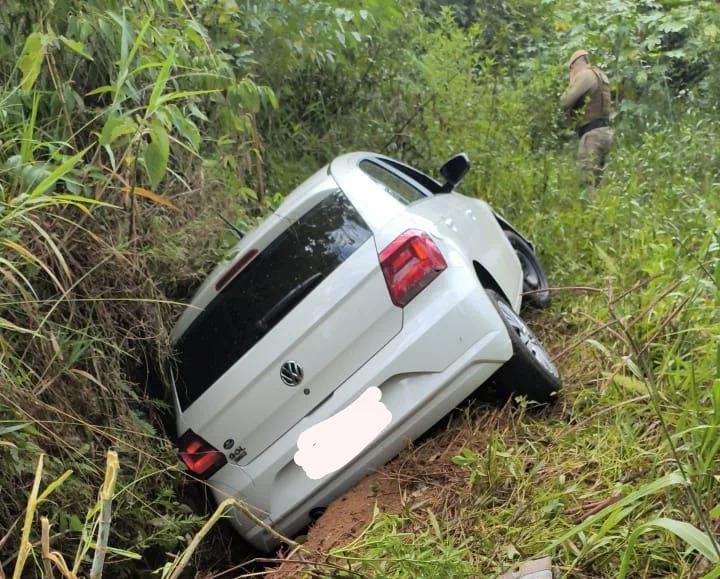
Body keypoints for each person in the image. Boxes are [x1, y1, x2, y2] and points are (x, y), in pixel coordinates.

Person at [561, 49, 613, 192]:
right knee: (599, 182)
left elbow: (565, 101)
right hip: (606, 133)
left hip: (592, 135)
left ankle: (590, 212)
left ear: (574, 66)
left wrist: (571, 82)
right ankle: (600, 211)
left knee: (586, 181)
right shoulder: (600, 75)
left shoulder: (584, 75)